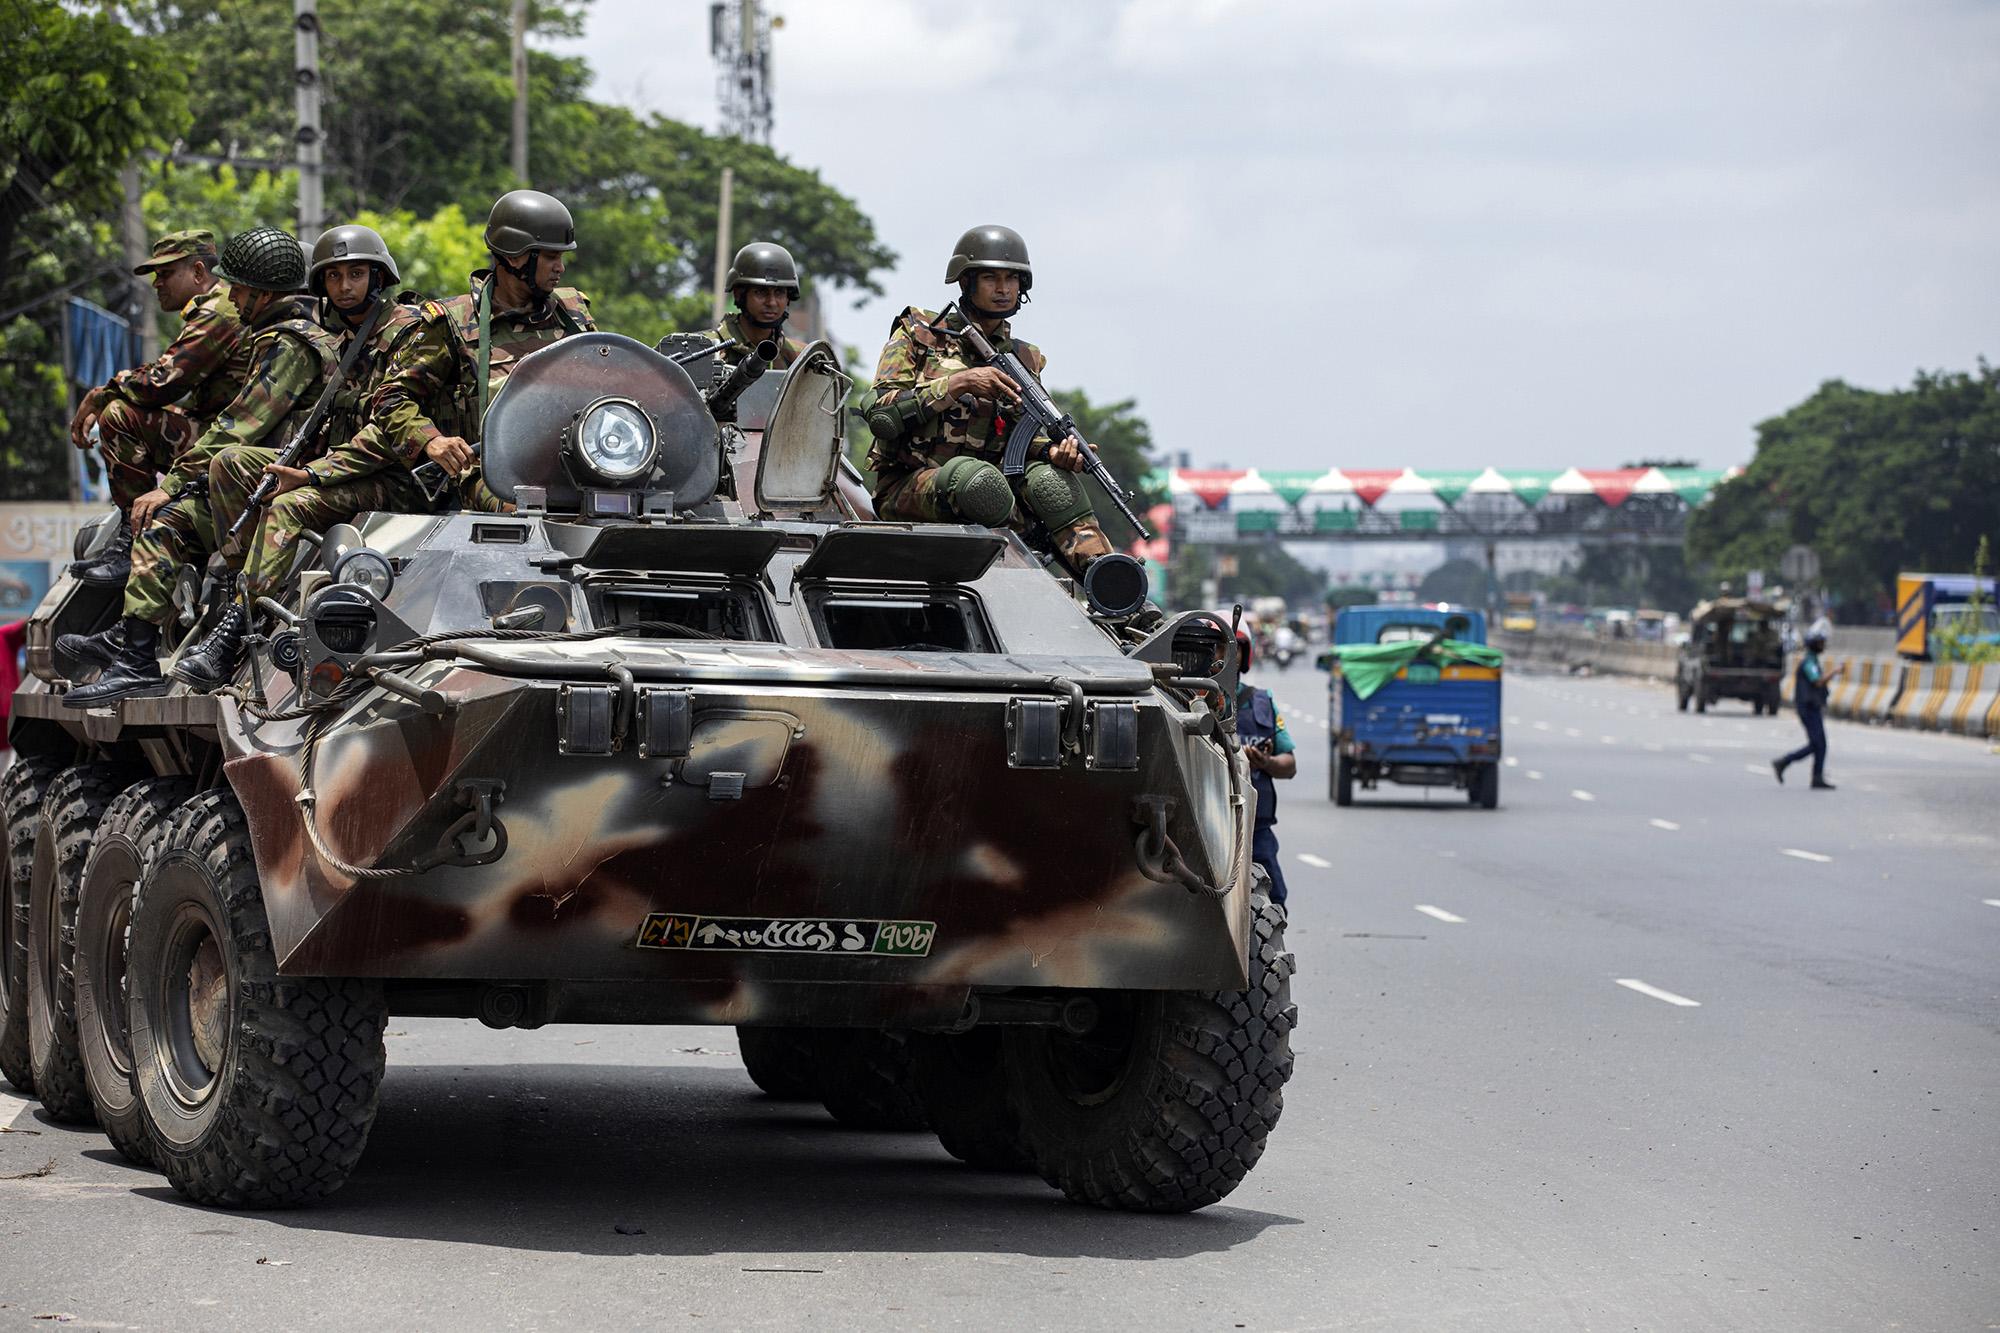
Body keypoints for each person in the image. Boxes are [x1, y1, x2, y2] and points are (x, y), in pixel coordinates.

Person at [60, 225, 338, 706]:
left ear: (263, 292)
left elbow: (238, 427)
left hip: (282, 485)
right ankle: (136, 656)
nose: (229, 294)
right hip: (248, 484)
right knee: (161, 522)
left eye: (238, 287)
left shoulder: (292, 343)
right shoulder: (265, 336)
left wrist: (173, 483)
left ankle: (229, 614)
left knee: (194, 480)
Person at [189, 223, 431, 690]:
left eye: (356, 274)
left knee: (289, 504)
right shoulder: (343, 344)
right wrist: (297, 463)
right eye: (334, 278)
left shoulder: (407, 335)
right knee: (234, 463)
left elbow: (390, 434)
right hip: (344, 473)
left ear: (378, 277)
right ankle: (244, 591)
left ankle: (235, 631)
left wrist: (311, 475)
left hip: (402, 479)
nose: (345, 288)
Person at [865, 224, 1114, 580]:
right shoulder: (919, 333)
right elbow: (880, 413)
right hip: (908, 487)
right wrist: (960, 382)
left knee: (1050, 482)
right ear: (965, 283)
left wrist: (1051, 453)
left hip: (993, 493)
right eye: (990, 278)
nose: (1002, 289)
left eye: (1011, 279)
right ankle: (1025, 560)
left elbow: (1021, 439)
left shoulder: (1023, 358)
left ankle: (1110, 584)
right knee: (977, 481)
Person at [366, 189, 594, 511]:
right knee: (528, 514)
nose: (560, 268)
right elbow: (391, 398)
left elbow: (607, 378)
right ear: (515, 257)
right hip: (488, 472)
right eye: (550, 257)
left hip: (576, 464)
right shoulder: (452, 320)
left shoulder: (573, 311)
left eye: (561, 257)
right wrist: (432, 441)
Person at [66, 229, 252, 588]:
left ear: (198, 272)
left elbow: (161, 384)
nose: (157, 283)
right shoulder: (215, 308)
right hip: (221, 433)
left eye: (166, 273)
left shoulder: (219, 311)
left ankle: (133, 541)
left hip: (234, 442)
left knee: (120, 415)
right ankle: (132, 533)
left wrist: (101, 394)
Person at [1235, 630, 1298, 906]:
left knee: (1273, 900)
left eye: (1231, 648)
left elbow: (1289, 765)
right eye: (1212, 648)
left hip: (1254, 827)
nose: (1220, 656)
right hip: (1199, 827)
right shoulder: (1180, 698)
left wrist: (1266, 762)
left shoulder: (1260, 702)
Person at [709, 241, 807, 370]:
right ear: (739, 294)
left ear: (788, 297)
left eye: (779, 292)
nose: (771, 302)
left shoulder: (803, 358)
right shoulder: (706, 349)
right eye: (760, 292)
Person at [1772, 625, 1843, 790]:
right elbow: (1817, 681)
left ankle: (1816, 776)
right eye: (1821, 643)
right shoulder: (1809, 662)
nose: (1823, 646)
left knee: (1820, 744)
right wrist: (1835, 672)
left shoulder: (1813, 660)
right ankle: (1784, 762)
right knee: (1817, 743)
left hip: (1812, 707)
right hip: (1808, 708)